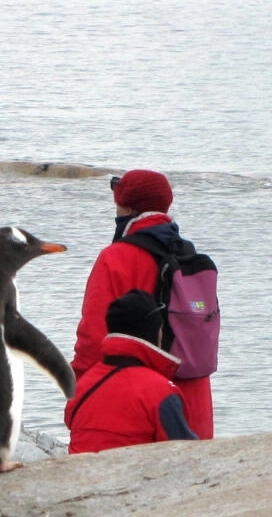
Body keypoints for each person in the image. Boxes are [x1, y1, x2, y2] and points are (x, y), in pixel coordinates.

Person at [71, 169, 214, 439]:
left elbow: (93, 337)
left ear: (125, 206)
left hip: (138, 402)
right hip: (195, 399)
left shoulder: (115, 258)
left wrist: (79, 389)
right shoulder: (190, 258)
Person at [65, 289, 198, 453]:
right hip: (133, 476)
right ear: (155, 332)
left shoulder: (81, 387)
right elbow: (186, 454)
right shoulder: (161, 392)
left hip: (79, 474)